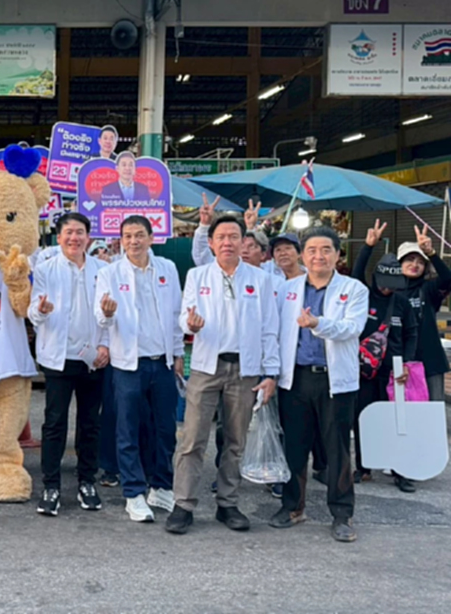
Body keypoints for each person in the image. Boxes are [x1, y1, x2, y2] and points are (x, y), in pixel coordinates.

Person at [166, 215, 279, 535]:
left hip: (246, 369)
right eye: (221, 237)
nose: (228, 242)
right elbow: (186, 319)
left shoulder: (260, 279)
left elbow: (270, 328)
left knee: (235, 440)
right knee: (192, 440)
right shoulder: (198, 276)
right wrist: (192, 326)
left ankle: (228, 503)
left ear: (245, 242)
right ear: (211, 243)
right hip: (206, 367)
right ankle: (184, 504)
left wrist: (270, 372)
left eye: (234, 237)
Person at [270, 227, 368, 542]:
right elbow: (277, 333)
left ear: (338, 254)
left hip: (334, 380)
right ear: (303, 255)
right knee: (294, 446)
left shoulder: (353, 289)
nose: (318, 256)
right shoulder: (288, 289)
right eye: (311, 250)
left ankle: (342, 514)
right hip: (295, 378)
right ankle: (293, 507)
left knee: (337, 448)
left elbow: (352, 328)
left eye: (326, 249)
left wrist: (317, 323)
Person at [95, 215, 184, 523]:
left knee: (165, 429)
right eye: (128, 236)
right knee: (127, 429)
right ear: (121, 240)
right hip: (127, 364)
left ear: (151, 237)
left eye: (139, 235)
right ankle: (133, 492)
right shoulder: (110, 272)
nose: (133, 241)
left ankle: (160, 486)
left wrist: (178, 353)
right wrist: (106, 315)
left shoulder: (168, 269)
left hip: (161, 362)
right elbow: (101, 318)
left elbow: (175, 313)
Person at [28, 213, 110, 517]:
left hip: (92, 359)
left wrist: (106, 346)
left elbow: (110, 314)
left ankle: (87, 482)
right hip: (58, 359)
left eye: (79, 232)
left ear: (88, 237)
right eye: (68, 233)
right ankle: (51, 486)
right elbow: (33, 312)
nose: (74, 238)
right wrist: (41, 310)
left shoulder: (103, 269)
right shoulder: (46, 269)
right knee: (54, 424)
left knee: (90, 425)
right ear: (59, 237)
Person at [350, 220, 418, 488]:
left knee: (396, 420)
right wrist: (368, 246)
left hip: (394, 371)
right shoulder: (363, 295)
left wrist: (408, 365)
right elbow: (357, 272)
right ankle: (363, 467)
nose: (389, 287)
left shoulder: (401, 302)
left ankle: (401, 470)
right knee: (363, 417)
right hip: (365, 370)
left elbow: (411, 334)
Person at [396, 226, 451, 404]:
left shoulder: (428, 289)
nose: (415, 265)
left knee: (433, 416)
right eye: (410, 260)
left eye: (420, 262)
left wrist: (432, 253)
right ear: (399, 264)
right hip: (399, 362)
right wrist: (368, 247)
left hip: (430, 362)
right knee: (402, 416)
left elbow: (448, 280)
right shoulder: (390, 292)